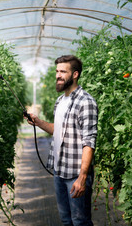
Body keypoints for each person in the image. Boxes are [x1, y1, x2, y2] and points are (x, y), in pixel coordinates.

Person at [26, 55, 98, 226]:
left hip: (75, 174)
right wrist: (38, 122)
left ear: (75, 74)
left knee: (80, 222)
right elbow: (58, 131)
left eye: (63, 71)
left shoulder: (85, 102)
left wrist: (82, 177)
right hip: (59, 171)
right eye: (57, 71)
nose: (58, 75)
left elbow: (89, 141)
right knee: (66, 221)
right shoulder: (60, 101)